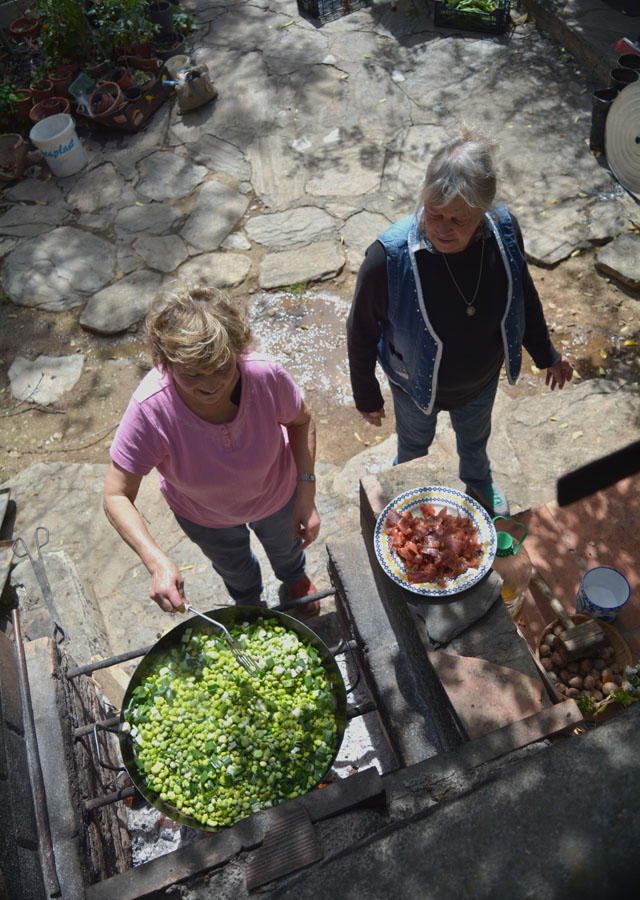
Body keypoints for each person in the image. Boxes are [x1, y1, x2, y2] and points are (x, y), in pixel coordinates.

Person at [346, 127, 573, 516]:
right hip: (413, 389)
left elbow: (522, 295)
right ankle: (412, 496)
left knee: (475, 440)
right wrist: (366, 394)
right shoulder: (388, 257)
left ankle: (478, 480)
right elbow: (360, 330)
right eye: (434, 213)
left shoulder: (503, 230)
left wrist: (546, 354)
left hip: (480, 382)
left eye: (458, 219)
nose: (442, 228)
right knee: (413, 448)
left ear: (483, 211)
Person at [103, 285, 321, 617]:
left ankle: (294, 579)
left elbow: (301, 420)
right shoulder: (150, 409)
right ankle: (248, 601)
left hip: (277, 496)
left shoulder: (264, 375)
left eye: (222, 367)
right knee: (233, 567)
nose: (210, 384)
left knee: (288, 549)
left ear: (238, 350)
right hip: (203, 516)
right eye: (192, 374)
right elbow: (116, 495)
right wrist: (156, 561)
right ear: (166, 363)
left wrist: (306, 492)